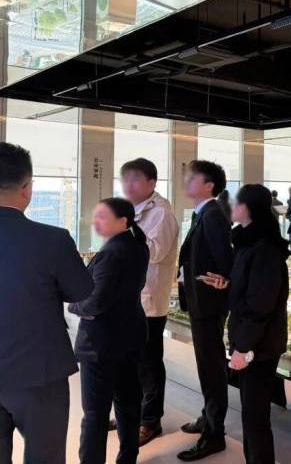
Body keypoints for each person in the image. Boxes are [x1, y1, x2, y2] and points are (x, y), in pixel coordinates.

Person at [0, 142, 93, 464]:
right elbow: (81, 291)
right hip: (39, 372)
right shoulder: (52, 239)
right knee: (46, 457)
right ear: (27, 188)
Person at [207, 185, 289, 464]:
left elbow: (260, 305)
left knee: (255, 417)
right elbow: (250, 290)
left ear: (250, 209)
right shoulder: (247, 242)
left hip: (260, 344)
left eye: (237, 203)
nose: (232, 207)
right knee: (251, 413)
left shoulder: (264, 248)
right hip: (251, 339)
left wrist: (243, 348)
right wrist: (228, 285)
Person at [69, 198, 150, 464]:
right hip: (131, 335)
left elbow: (97, 301)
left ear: (123, 221)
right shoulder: (138, 246)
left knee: (95, 413)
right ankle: (128, 458)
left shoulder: (112, 252)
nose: (96, 221)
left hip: (101, 343)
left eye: (103, 216)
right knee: (128, 404)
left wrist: (74, 306)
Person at [119, 158, 180, 446]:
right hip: (129, 297)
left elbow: (155, 253)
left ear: (151, 183)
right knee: (130, 361)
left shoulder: (161, 213)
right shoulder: (131, 209)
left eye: (135, 179)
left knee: (148, 363)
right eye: (125, 179)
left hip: (150, 300)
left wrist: (127, 228)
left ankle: (150, 420)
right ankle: (131, 414)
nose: (128, 185)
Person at [177, 160, 234, 461]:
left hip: (209, 304)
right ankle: (208, 417)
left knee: (212, 369)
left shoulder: (213, 215)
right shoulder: (203, 213)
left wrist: (222, 281)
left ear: (209, 185)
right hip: (200, 302)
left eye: (192, 178)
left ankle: (214, 435)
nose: (186, 181)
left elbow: (226, 261)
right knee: (207, 367)